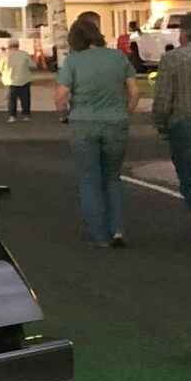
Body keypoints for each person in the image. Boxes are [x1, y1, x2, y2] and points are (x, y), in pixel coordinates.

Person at [55, 15, 140, 248]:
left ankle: (100, 234)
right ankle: (118, 229)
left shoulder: (73, 62)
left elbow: (61, 96)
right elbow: (134, 92)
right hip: (115, 123)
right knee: (112, 178)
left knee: (90, 180)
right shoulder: (118, 58)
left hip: (84, 123)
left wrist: (64, 116)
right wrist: (126, 112)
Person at [149, 10, 191, 250]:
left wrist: (160, 124)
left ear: (184, 34)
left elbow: (163, 99)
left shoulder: (172, 60)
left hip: (186, 126)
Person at [0, 39, 35, 121]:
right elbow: (32, 65)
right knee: (25, 98)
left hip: (9, 81)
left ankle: (12, 116)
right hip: (24, 79)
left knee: (11, 99)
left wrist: (5, 72)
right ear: (18, 45)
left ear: (9, 46)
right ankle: (26, 115)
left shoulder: (5, 55)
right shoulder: (24, 54)